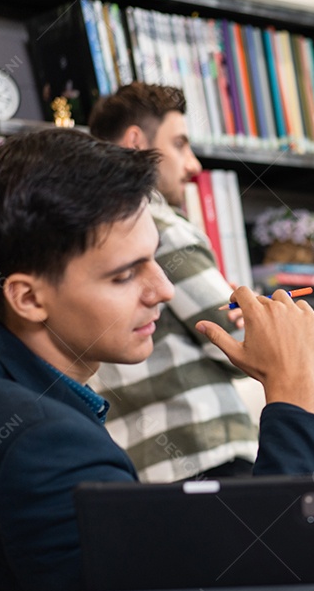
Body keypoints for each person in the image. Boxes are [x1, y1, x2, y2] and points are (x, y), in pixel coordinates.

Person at [0, 129, 314, 591]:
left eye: (155, 259)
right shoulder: (43, 444)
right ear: (27, 298)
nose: (162, 289)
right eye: (124, 275)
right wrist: (292, 392)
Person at [88, 82, 256, 483]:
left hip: (142, 467)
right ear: (135, 144)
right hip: (209, 449)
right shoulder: (160, 226)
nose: (193, 163)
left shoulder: (90, 232)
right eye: (180, 144)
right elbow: (244, 348)